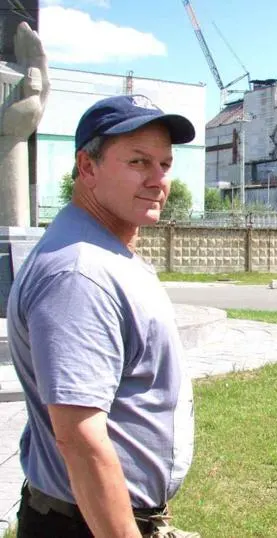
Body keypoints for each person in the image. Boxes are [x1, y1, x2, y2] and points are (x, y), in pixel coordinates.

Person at [7, 94, 200, 538]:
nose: (157, 181)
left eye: (165, 165)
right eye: (138, 162)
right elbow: (80, 439)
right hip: (84, 525)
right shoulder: (81, 273)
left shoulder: (104, 250)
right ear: (88, 167)